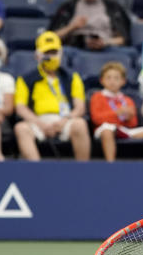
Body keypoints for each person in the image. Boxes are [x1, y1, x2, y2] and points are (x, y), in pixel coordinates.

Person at [13, 31, 91, 161]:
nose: (51, 57)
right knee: (21, 128)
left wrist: (64, 121)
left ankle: (82, 171)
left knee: (80, 124)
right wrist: (40, 124)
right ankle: (36, 171)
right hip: (37, 120)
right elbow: (21, 108)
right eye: (46, 53)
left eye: (54, 53)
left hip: (65, 119)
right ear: (38, 55)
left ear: (60, 54)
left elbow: (80, 107)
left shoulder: (72, 78)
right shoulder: (26, 79)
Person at [90, 61, 143, 161]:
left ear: (123, 81)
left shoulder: (127, 100)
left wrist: (128, 118)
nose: (112, 81)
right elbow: (96, 119)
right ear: (101, 80)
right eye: (108, 78)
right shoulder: (97, 97)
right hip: (103, 129)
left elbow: (133, 124)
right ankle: (111, 165)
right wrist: (116, 114)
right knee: (107, 130)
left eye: (116, 78)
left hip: (123, 129)